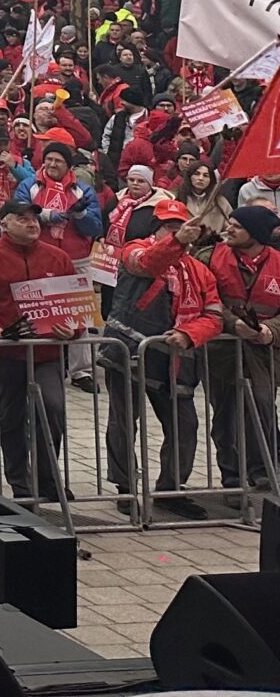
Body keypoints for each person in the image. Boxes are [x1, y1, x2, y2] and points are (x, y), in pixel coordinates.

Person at [102, 198, 221, 518]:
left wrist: (189, 334)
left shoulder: (198, 270)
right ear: (155, 228)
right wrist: (177, 241)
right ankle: (125, 488)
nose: (176, 231)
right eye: (169, 226)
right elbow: (148, 264)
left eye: (179, 225)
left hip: (175, 361)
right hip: (126, 354)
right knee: (124, 423)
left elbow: (213, 315)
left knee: (185, 425)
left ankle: (171, 489)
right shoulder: (134, 249)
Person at [0, 200, 81, 501]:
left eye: (35, 219)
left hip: (47, 352)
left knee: (52, 408)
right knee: (11, 417)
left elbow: (76, 302)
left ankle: (47, 476)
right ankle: (19, 481)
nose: (32, 224)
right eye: (23, 218)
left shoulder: (57, 257)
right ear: (5, 224)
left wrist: (74, 330)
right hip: (9, 352)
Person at [205, 204, 280, 492]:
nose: (229, 229)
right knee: (225, 416)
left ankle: (262, 471)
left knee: (262, 408)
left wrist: (269, 332)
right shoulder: (213, 257)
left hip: (263, 353)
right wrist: (232, 323)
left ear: (257, 234)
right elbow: (207, 298)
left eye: (237, 225)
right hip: (223, 352)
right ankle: (232, 476)